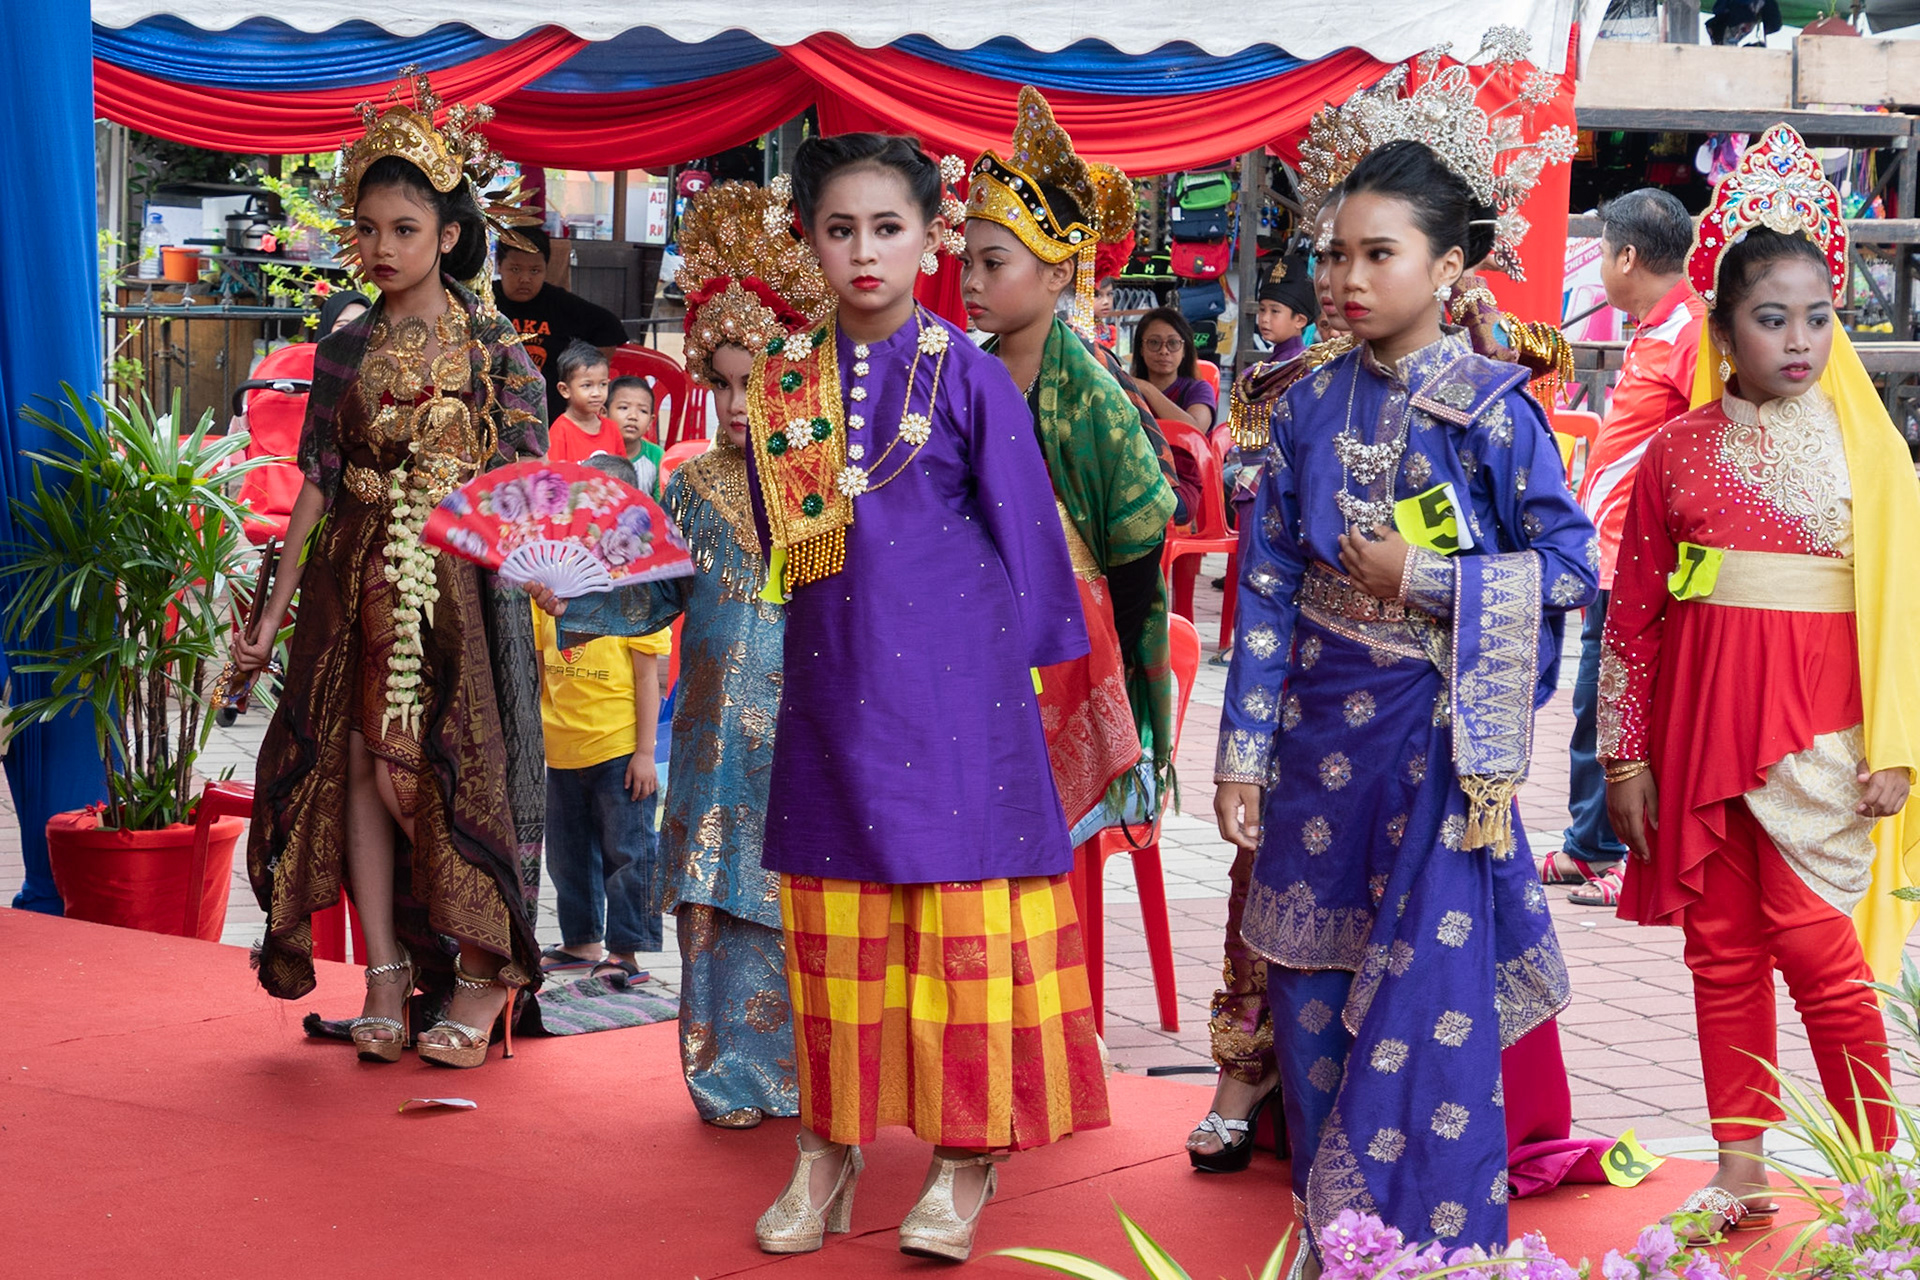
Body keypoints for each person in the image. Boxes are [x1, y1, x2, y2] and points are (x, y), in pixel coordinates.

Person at [1214, 130, 1595, 1258]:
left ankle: (1436, 1239)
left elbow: (1572, 563)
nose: (1344, 278)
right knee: (1313, 981)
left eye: (1379, 254)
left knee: (1430, 1004)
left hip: (1437, 746)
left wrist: (1424, 578)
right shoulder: (1297, 403)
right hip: (1313, 736)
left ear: (1448, 270)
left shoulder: (1493, 411)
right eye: (1335, 254)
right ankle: (1341, 1236)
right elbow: (1267, 588)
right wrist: (1240, 753)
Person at [746, 133, 1106, 1262]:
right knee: (832, 926)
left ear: (929, 237)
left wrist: (1050, 703)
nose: (864, 251)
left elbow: (1034, 549)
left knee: (960, 928)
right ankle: (828, 1142)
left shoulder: (972, 374)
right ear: (808, 239)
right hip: (833, 689)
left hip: (962, 702)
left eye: (887, 227)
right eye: (840, 228)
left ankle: (965, 1153)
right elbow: (781, 551)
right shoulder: (781, 381)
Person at [1600, 125, 1920, 1240]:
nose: (1798, 339)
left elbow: (1907, 603)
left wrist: (1898, 744)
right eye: (1771, 317)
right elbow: (1632, 616)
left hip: (1823, 733)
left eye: (1818, 316)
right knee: (1721, 948)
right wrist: (1625, 754)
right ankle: (1740, 1166)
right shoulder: (1677, 451)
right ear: (1723, 324)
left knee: (1820, 952)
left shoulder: (1871, 451)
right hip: (1697, 729)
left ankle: (1880, 1168)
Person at [233, 78, 550, 1070]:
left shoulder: (499, 351)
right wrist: (272, 618)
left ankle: (482, 968)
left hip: (456, 593)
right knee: (360, 766)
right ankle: (379, 971)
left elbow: (527, 489)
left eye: (404, 227)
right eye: (368, 227)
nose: (380, 246)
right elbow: (317, 486)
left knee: (425, 772)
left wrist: (541, 572)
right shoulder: (348, 343)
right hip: (351, 580)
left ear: (449, 235)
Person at [553, 178, 832, 1129]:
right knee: (712, 901)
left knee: (798, 897)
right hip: (710, 744)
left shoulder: (828, 489)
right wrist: (576, 595)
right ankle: (721, 1079)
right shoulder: (692, 486)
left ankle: (807, 1075)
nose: (739, 400)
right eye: (721, 380)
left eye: (757, 378)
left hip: (805, 735)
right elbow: (655, 596)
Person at [961, 84, 1179, 846]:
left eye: (994, 263)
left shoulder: (1091, 398)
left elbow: (1138, 548)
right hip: (981, 627)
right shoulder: (968, 374)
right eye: (967, 263)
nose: (972, 282)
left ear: (1059, 274)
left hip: (1074, 642)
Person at [1545, 189, 1704, 908]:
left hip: (1643, 560)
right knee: (1600, 702)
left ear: (1628, 256)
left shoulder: (1690, 330)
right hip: (1613, 553)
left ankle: (1605, 851)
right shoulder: (1658, 324)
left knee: (1607, 703)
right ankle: (1595, 846)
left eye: (1605, 250)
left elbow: (1706, 441)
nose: (1603, 265)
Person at [530, 452, 671, 987]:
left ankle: (628, 953)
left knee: (629, 854)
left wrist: (643, 753)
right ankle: (581, 940)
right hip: (560, 745)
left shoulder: (637, 588)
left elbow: (647, 678)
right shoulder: (549, 585)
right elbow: (541, 666)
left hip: (618, 748)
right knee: (567, 858)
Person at [496, 224, 629, 421]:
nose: (525, 278)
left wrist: (584, 379)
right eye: (515, 269)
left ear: (546, 269)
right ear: (499, 266)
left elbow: (610, 327)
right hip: (494, 411)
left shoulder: (559, 304)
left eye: (535, 271)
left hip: (548, 415)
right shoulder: (484, 300)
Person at [1130, 306, 1217, 430]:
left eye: (1173, 343)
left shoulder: (1199, 389)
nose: (1164, 351)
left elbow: (1195, 431)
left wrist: (1147, 389)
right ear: (1141, 349)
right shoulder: (1128, 391)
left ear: (1184, 350)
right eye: (1154, 342)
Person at [547, 340, 619, 463]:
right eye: (587, 385)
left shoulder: (612, 428)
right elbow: (555, 477)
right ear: (564, 390)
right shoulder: (560, 432)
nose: (597, 393)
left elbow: (622, 473)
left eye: (603, 384)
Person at [607, 375, 664, 497]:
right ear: (604, 413)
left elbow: (662, 507)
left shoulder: (657, 456)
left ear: (650, 421)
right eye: (624, 407)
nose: (633, 416)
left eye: (643, 411)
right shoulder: (595, 452)